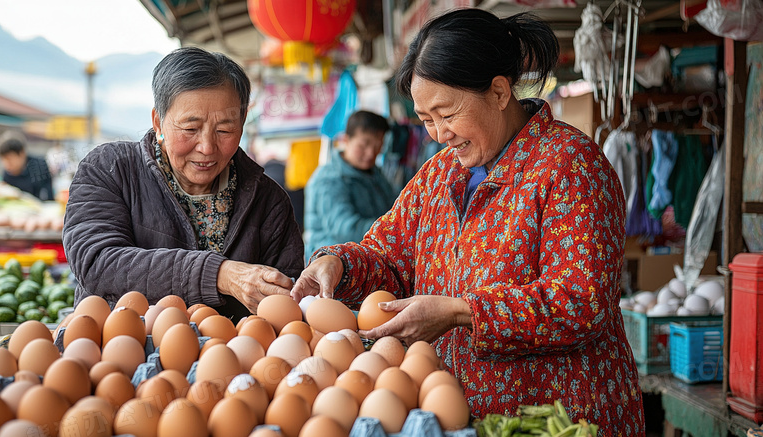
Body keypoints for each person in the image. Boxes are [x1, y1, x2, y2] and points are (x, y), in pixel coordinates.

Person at [292, 8, 644, 436]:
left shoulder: (570, 166)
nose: (439, 134)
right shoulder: (440, 173)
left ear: (498, 92)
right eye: (426, 120)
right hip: (469, 418)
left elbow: (580, 301)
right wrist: (340, 263)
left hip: (562, 417)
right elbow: (389, 256)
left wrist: (462, 312)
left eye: (447, 114)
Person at [63, 47, 304, 321]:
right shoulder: (110, 169)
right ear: (158, 122)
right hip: (114, 353)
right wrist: (219, 275)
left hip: (230, 360)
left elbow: (286, 298)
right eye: (190, 129)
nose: (206, 147)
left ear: (243, 122)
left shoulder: (268, 200)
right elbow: (98, 262)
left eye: (224, 130)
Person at [303, 110, 398, 261]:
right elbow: (346, 230)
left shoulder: (374, 173)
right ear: (345, 140)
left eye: (377, 146)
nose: (370, 153)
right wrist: (395, 229)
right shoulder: (329, 179)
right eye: (364, 145)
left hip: (367, 260)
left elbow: (394, 208)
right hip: (335, 266)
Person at [0, 132, 54, 201]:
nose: (6, 165)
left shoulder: (39, 165)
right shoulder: (7, 174)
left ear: (22, 154)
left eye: (9, 159)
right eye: (3, 160)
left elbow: (47, 194)